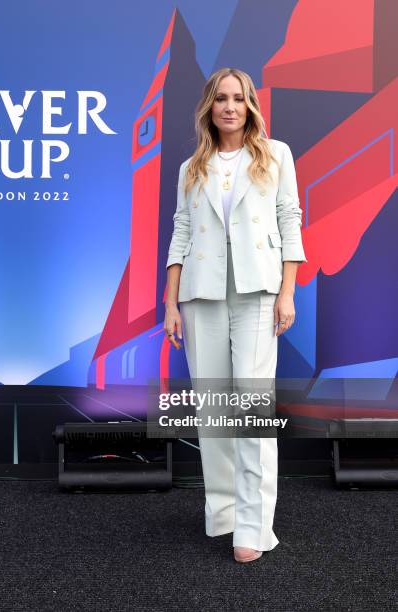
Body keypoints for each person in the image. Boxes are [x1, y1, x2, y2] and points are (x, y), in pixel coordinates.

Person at [164, 67, 307, 563]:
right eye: (221, 98)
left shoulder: (275, 154)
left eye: (239, 98)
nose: (230, 106)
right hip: (201, 295)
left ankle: (253, 525)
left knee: (249, 410)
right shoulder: (192, 167)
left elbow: (290, 220)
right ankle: (222, 511)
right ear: (210, 105)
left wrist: (287, 292)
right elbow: (181, 231)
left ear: (250, 106)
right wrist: (170, 303)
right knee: (213, 412)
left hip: (258, 293)